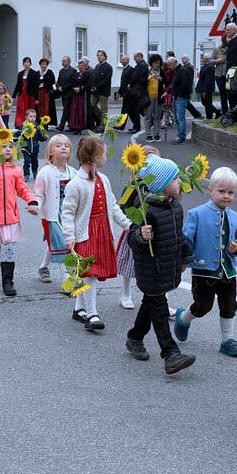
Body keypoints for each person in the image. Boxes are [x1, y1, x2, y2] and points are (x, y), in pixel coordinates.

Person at [124, 156, 196, 374]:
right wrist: (141, 235)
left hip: (167, 266)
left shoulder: (176, 207)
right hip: (151, 269)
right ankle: (170, 353)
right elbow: (131, 237)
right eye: (174, 179)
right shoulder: (145, 209)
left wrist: (186, 257)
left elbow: (178, 236)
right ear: (161, 185)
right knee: (160, 309)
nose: (179, 181)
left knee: (150, 303)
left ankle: (134, 337)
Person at [174, 167, 237, 357]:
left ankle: (227, 339)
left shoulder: (236, 218)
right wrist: (182, 261)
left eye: (231, 192)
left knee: (229, 305)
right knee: (202, 306)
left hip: (228, 270)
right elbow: (186, 240)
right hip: (203, 269)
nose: (226, 196)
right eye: (222, 191)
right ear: (211, 190)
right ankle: (183, 318)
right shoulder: (197, 214)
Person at [60, 136, 132, 330]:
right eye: (104, 155)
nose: (106, 159)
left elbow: (113, 206)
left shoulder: (103, 179)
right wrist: (69, 235)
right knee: (89, 273)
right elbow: (67, 212)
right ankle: (92, 314)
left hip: (102, 231)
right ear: (95, 158)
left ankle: (79, 309)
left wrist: (127, 224)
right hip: (85, 234)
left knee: (89, 273)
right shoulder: (76, 184)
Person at [0, 133, 39, 295]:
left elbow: (22, 188)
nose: (8, 149)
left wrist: (32, 201)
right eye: (4, 146)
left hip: (11, 218)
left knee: (10, 248)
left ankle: (8, 281)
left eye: (11, 146)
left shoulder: (15, 170)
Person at [115, 145, 161, 310]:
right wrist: (132, 221)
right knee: (129, 263)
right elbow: (122, 206)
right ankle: (125, 293)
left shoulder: (162, 185)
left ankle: (160, 298)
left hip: (156, 231)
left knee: (158, 267)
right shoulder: (133, 185)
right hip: (136, 229)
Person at [34, 134, 78, 289]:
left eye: (66, 145)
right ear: (50, 152)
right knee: (62, 245)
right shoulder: (45, 172)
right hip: (52, 216)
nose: (63, 147)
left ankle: (43, 267)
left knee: (58, 243)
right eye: (58, 145)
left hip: (69, 215)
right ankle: (67, 282)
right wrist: (35, 205)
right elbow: (39, 194)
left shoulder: (73, 173)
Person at [16, 108, 46, 180]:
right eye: (30, 116)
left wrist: (44, 138)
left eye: (34, 117)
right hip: (25, 148)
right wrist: (13, 138)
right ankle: (26, 174)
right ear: (26, 117)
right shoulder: (23, 126)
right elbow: (18, 134)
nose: (33, 118)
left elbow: (40, 138)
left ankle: (35, 172)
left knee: (35, 161)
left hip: (35, 148)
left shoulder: (37, 127)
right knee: (27, 161)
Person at [170, 56, 193, 144]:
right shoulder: (178, 70)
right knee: (177, 118)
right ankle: (180, 136)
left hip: (181, 96)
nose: (169, 67)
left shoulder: (182, 70)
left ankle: (181, 137)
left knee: (180, 118)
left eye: (169, 65)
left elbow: (184, 84)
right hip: (177, 96)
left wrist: (178, 93)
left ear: (173, 64)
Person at [88, 50, 112, 131]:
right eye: (98, 55)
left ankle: (103, 126)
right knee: (92, 105)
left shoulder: (108, 67)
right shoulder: (97, 66)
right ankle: (101, 118)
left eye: (101, 55)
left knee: (103, 108)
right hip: (95, 91)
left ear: (105, 57)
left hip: (103, 91)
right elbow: (94, 77)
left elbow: (106, 80)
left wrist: (97, 87)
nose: (99, 57)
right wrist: (92, 86)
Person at [143, 54, 164, 143]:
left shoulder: (161, 72)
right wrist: (148, 78)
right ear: (151, 63)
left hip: (159, 97)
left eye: (158, 63)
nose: (156, 65)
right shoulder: (147, 71)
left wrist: (161, 79)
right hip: (148, 97)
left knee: (157, 116)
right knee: (148, 116)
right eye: (155, 63)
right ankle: (148, 135)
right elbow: (141, 81)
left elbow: (167, 81)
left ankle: (157, 134)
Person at [13, 57, 39, 128]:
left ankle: (30, 124)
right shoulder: (20, 73)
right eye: (25, 62)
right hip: (22, 94)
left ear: (30, 63)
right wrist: (14, 96)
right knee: (20, 109)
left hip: (30, 95)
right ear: (23, 63)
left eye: (28, 62)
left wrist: (37, 98)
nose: (26, 63)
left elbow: (36, 87)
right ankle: (19, 124)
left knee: (29, 110)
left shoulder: (34, 73)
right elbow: (17, 85)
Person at [55, 56, 79, 132]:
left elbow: (71, 82)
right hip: (62, 93)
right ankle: (71, 125)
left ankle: (61, 125)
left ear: (68, 62)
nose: (62, 63)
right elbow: (58, 81)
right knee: (68, 110)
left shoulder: (73, 71)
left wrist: (63, 88)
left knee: (66, 109)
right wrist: (58, 87)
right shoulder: (61, 71)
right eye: (62, 61)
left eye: (64, 61)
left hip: (69, 93)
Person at [130, 52, 150, 134]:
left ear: (139, 57)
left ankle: (137, 126)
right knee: (136, 109)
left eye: (135, 57)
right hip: (138, 89)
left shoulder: (142, 66)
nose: (134, 59)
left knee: (136, 109)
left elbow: (136, 77)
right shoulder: (142, 65)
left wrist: (131, 84)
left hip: (138, 90)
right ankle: (137, 125)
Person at [116, 55, 135, 129]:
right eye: (121, 60)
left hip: (129, 94)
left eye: (123, 60)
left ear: (127, 61)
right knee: (126, 110)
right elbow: (123, 82)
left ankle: (136, 126)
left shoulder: (130, 69)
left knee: (128, 111)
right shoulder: (124, 69)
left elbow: (132, 81)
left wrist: (129, 90)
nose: (122, 61)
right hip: (125, 93)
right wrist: (119, 91)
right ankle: (121, 125)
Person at [37, 57, 57, 126]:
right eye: (42, 64)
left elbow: (52, 81)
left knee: (46, 108)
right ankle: (39, 121)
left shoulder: (49, 72)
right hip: (39, 93)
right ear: (40, 65)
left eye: (45, 64)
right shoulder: (37, 72)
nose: (44, 65)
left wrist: (44, 85)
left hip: (47, 93)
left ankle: (46, 123)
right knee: (39, 107)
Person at [212, 35, 229, 115]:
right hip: (219, 74)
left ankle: (231, 110)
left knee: (230, 93)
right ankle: (224, 111)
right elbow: (210, 61)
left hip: (229, 74)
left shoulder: (232, 48)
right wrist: (217, 61)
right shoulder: (217, 49)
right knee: (222, 94)